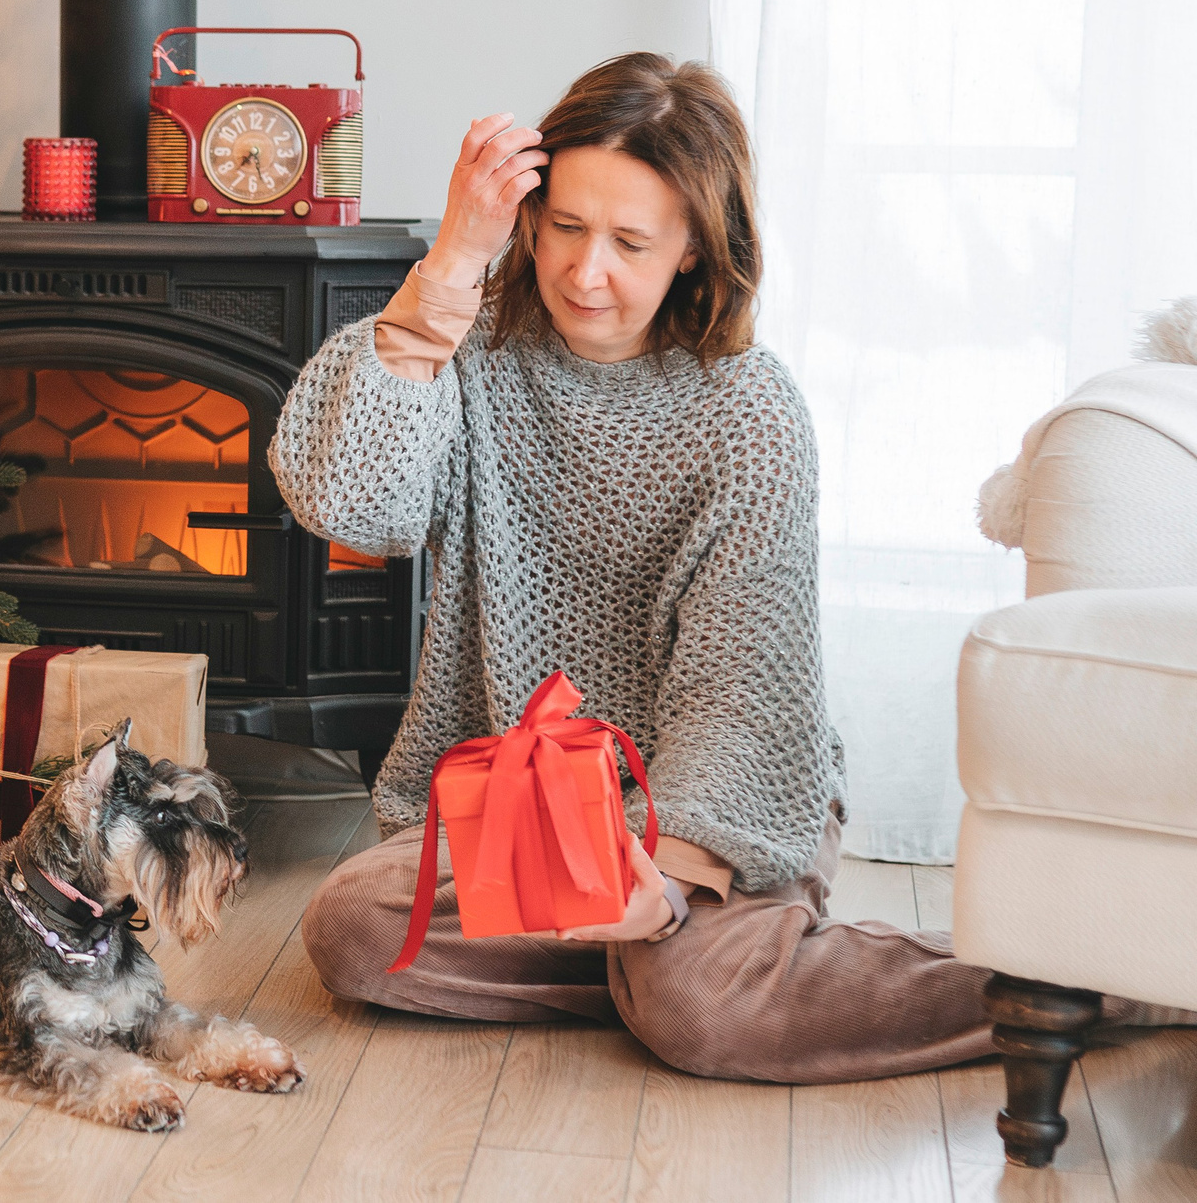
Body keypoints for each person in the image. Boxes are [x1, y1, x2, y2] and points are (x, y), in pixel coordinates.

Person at [269, 52, 993, 1084]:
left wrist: (670, 880)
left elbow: (746, 686)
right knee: (352, 928)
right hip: (528, 802)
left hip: (714, 795)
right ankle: (662, 976)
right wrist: (448, 269)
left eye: (628, 241)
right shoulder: (474, 351)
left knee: (697, 1005)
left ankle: (1063, 982)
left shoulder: (747, 410)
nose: (583, 271)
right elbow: (352, 505)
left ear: (694, 247)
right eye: (564, 226)